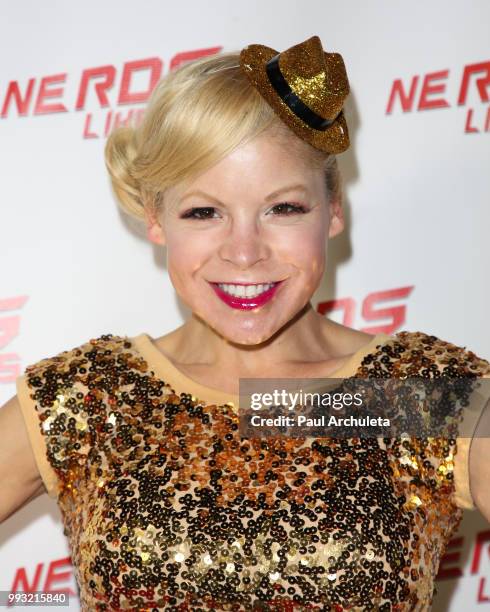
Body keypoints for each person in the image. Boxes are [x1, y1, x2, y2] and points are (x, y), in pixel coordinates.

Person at [1, 35, 489, 611]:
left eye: (283, 208)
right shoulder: (88, 397)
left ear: (333, 209)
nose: (244, 251)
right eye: (203, 212)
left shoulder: (419, 394)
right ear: (157, 220)